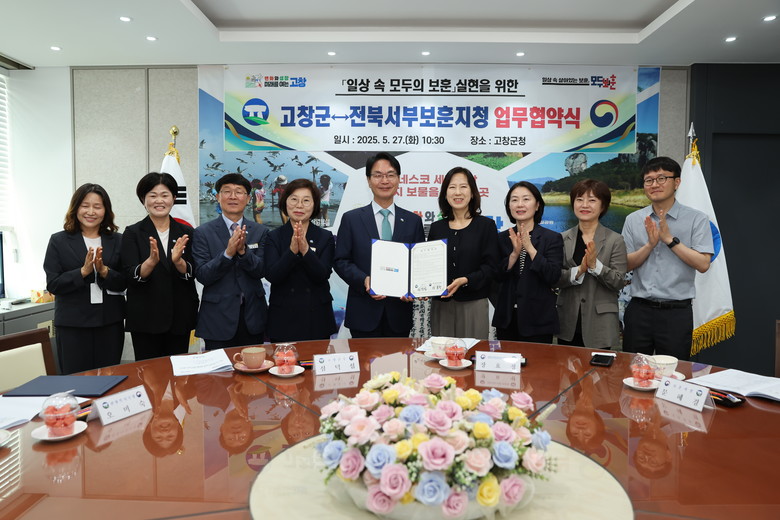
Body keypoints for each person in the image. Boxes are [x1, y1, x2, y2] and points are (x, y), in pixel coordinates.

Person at [621, 157, 713, 360]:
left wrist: (669, 240)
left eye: (661, 178)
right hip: (639, 310)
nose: (654, 184)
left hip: (676, 313)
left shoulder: (697, 219)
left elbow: (703, 264)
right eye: (649, 180)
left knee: (673, 373)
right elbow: (625, 264)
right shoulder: (634, 220)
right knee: (633, 369)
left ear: (677, 182)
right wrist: (649, 245)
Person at [334, 152, 425, 338]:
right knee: (364, 358)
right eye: (378, 175)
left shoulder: (413, 221)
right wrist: (364, 280)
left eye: (390, 175)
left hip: (399, 314)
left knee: (398, 359)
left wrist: (414, 287)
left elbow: (419, 264)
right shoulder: (351, 219)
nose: (385, 181)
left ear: (398, 179)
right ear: (368, 180)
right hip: (363, 313)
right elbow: (341, 260)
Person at [43, 184, 126, 374]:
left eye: (97, 206)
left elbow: (124, 281)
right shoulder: (58, 241)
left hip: (110, 322)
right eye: (85, 205)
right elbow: (53, 284)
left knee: (109, 379)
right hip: (73, 324)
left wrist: (104, 271)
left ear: (106, 210)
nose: (91, 212)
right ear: (75, 208)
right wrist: (82, 272)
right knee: (76, 381)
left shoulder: (118, 240)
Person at [121, 172, 199, 361]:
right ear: (143, 199)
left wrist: (179, 262)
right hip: (145, 317)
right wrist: (149, 263)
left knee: (178, 374)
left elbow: (195, 271)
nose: (159, 201)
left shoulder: (187, 232)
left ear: (174, 198)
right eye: (153, 195)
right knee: (148, 373)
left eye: (165, 195)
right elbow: (129, 275)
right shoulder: (132, 233)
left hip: (179, 317)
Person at [193, 173, 269, 349]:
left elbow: (261, 270)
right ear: (218, 197)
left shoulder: (261, 231)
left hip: (252, 317)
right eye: (226, 191)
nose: (233, 196)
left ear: (248, 199)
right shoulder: (202, 232)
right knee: (219, 367)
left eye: (239, 192)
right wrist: (227, 254)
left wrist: (243, 252)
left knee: (253, 365)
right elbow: (203, 275)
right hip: (217, 318)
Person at [427, 167, 499, 339]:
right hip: (441, 304)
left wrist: (466, 280)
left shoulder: (486, 226)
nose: (457, 192)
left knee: (471, 352)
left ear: (472, 193)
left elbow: (492, 267)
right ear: (445, 194)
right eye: (452, 187)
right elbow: (429, 266)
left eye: (463, 187)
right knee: (440, 352)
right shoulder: (436, 228)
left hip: (474, 304)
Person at [556, 179, 627, 349]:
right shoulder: (562, 238)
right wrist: (579, 271)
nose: (584, 205)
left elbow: (618, 281)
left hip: (600, 323)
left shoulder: (615, 240)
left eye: (592, 200)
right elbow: (555, 278)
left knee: (599, 366)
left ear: (603, 206)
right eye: (579, 199)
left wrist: (595, 266)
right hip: (568, 321)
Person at [265, 178, 337, 342]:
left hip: (316, 316)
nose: (299, 206)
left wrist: (305, 250)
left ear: (314, 205)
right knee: (283, 360)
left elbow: (322, 275)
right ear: (285, 202)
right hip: (283, 316)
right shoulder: (273, 236)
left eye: (306, 201)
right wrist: (291, 251)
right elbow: (272, 275)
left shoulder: (325, 237)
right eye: (294, 199)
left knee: (316, 359)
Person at [492, 181, 563, 343]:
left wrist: (530, 248)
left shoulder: (551, 238)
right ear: (509, 206)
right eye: (514, 200)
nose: (520, 204)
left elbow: (553, 276)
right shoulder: (501, 238)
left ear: (537, 205)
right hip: (507, 320)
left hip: (538, 321)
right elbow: (495, 276)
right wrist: (514, 254)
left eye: (526, 199)